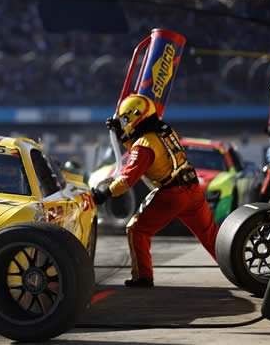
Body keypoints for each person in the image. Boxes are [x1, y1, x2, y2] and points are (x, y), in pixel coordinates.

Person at [90, 94, 219, 288]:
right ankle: (236, 268)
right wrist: (121, 134)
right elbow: (143, 145)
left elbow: (126, 180)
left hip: (172, 194)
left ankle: (143, 277)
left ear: (136, 117)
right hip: (193, 188)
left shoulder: (143, 145)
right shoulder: (165, 131)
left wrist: (104, 194)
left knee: (136, 230)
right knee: (213, 239)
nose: (125, 124)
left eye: (126, 120)